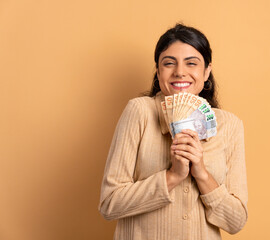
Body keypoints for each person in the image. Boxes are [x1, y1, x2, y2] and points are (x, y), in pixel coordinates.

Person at [98, 23, 248, 240]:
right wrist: (173, 176)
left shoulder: (230, 125)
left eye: (191, 63)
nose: (179, 72)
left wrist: (202, 174)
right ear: (158, 72)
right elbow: (109, 204)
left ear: (206, 71)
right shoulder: (139, 111)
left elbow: (236, 221)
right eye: (169, 63)